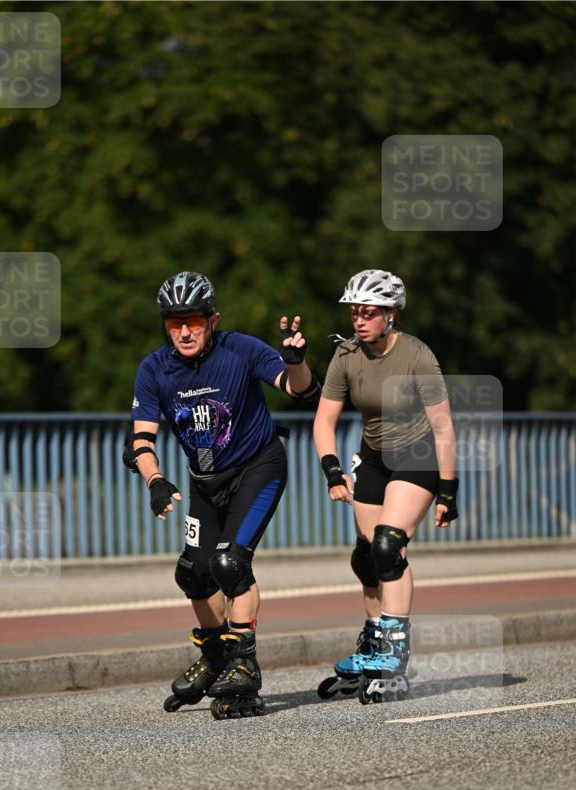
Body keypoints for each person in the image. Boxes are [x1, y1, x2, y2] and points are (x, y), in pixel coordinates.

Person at [126, 271, 320, 719]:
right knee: (193, 575)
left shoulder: (241, 349)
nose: (185, 331)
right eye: (174, 323)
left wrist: (295, 361)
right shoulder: (154, 369)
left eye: (193, 320)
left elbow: (300, 390)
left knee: (230, 563)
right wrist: (155, 480)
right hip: (204, 481)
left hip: (259, 467)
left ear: (213, 319)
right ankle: (216, 657)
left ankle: (244, 666)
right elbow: (140, 440)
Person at [313, 268, 459, 703]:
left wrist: (448, 491)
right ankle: (375, 643)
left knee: (387, 546)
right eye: (355, 312)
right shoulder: (345, 355)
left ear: (391, 314)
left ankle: (394, 656)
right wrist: (332, 469)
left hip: (418, 455)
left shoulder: (417, 355)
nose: (359, 320)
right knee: (365, 558)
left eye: (369, 313)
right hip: (373, 456)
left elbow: (444, 426)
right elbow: (324, 420)